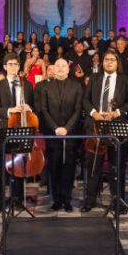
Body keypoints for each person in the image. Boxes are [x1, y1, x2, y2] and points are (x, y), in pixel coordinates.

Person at [81, 50, 128, 212]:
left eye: (112, 60)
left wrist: (116, 113)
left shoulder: (125, 80)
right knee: (93, 165)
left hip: (116, 125)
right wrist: (94, 113)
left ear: (117, 63)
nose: (109, 62)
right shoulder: (94, 78)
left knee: (116, 166)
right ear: (102, 63)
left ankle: (118, 201)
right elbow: (85, 99)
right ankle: (90, 200)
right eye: (106, 60)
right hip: (95, 126)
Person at [0, 53, 35, 209]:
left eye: (16, 64)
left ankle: (18, 200)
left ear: (19, 66)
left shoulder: (26, 85)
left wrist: (29, 108)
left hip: (21, 130)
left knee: (19, 166)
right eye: (10, 64)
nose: (13, 67)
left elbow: (33, 106)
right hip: (2, 130)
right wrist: (11, 110)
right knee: (1, 167)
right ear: (5, 66)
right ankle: (0, 202)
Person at [39, 58, 82, 212]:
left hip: (71, 134)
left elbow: (78, 110)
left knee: (69, 167)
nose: (60, 68)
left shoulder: (76, 86)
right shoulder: (45, 87)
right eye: (57, 66)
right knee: (54, 167)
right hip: (53, 134)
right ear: (53, 69)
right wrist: (56, 128)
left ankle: (67, 200)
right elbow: (44, 110)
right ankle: (56, 200)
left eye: (63, 66)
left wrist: (67, 128)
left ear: (68, 70)